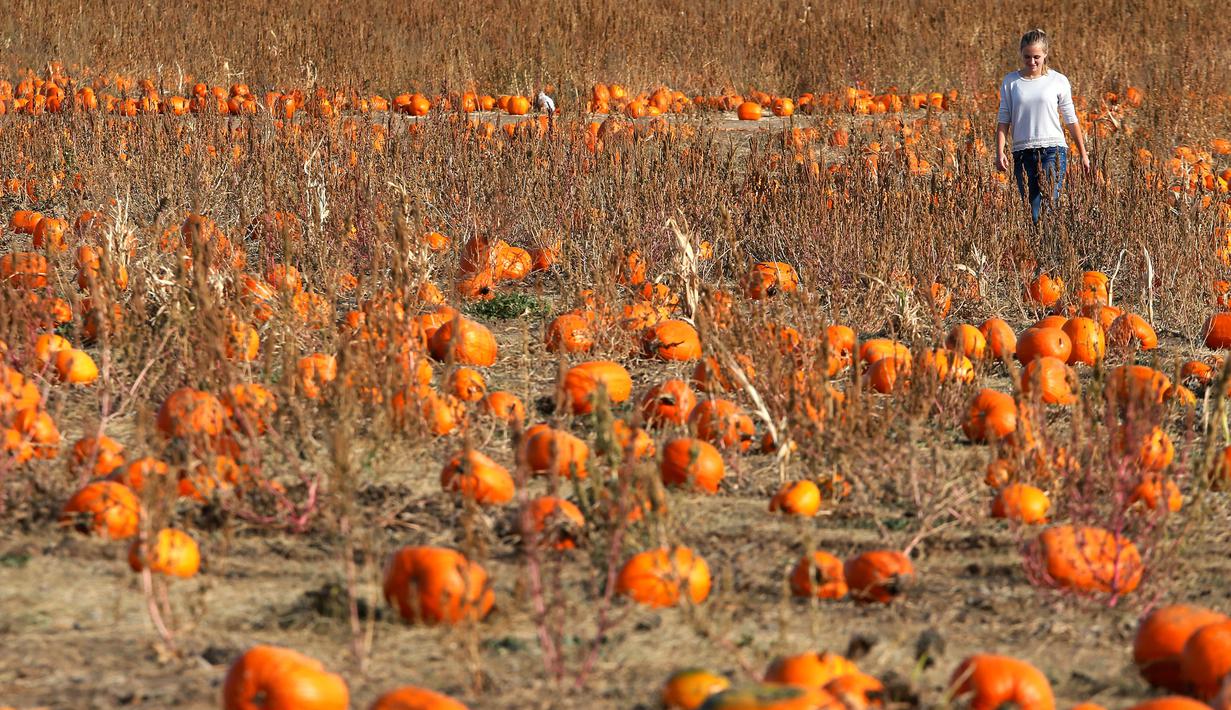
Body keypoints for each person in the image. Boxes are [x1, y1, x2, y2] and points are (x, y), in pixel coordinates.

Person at [995, 28, 1091, 224]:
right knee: (1031, 210)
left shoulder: (1058, 81)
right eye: (1027, 57)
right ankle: (1039, 250)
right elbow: (1004, 120)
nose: (1032, 62)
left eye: (1036, 57)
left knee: (1046, 206)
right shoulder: (1011, 82)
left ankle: (1052, 248)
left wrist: (1083, 154)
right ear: (1021, 54)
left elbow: (1071, 119)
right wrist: (999, 152)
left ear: (1045, 54)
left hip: (1052, 151)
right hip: (1022, 153)